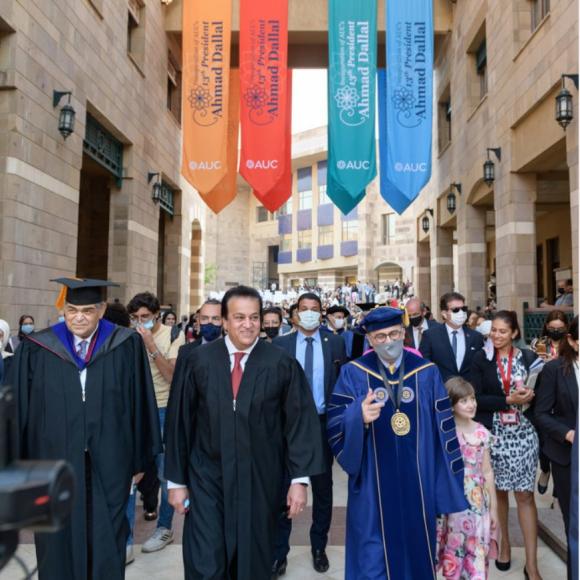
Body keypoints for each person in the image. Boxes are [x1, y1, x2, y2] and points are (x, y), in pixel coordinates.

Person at [164, 286, 325, 580]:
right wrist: (176, 481)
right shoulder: (198, 361)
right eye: (239, 317)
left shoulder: (280, 363)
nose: (247, 324)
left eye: (254, 317)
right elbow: (179, 423)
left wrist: (299, 480)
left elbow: (299, 423)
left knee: (252, 562)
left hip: (260, 478)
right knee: (206, 561)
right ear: (224, 321)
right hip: (207, 478)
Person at [10, 278, 161, 580]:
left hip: (110, 460)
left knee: (107, 534)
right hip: (53, 461)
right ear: (63, 311)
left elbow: (141, 401)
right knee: (56, 536)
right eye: (72, 310)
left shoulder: (124, 344)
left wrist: (141, 459)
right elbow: (18, 409)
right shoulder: (38, 347)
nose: (79, 317)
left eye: (87, 310)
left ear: (102, 310)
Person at [327, 307, 468, 579]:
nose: (387, 341)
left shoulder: (426, 372)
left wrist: (445, 484)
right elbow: (335, 425)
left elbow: (444, 432)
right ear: (369, 339)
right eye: (379, 336)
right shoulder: (353, 373)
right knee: (372, 554)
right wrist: (359, 417)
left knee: (418, 547)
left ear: (403, 333)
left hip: (419, 480)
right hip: (372, 484)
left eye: (393, 334)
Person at [272, 293, 347, 576]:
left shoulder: (336, 342)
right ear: (295, 314)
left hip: (322, 423)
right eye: (304, 309)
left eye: (315, 310)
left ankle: (319, 546)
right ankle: (279, 553)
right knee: (284, 487)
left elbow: (342, 385)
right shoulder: (280, 345)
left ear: (322, 313)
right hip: (287, 426)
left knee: (323, 488)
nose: (310, 314)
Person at [470, 310, 542, 579]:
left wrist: (530, 396)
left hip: (524, 433)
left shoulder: (529, 357)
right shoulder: (481, 358)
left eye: (502, 331)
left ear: (514, 333)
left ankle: (532, 564)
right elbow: (476, 399)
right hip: (495, 434)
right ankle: (504, 546)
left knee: (525, 494)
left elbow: (542, 394)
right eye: (494, 330)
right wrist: (507, 401)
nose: (496, 336)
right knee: (498, 493)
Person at [125, 292, 184, 555]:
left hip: (163, 409)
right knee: (130, 473)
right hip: (134, 410)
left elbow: (171, 375)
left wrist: (150, 345)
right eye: (135, 318)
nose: (140, 322)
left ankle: (164, 528)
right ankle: (124, 539)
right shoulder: (128, 337)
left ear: (156, 315)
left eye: (145, 317)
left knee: (164, 473)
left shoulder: (173, 335)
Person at [437, 377, 499, 579]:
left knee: (477, 548)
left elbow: (487, 471)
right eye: (464, 400)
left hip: (477, 501)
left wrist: (494, 509)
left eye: (472, 399)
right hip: (452, 498)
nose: (471, 404)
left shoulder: (482, 432)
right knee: (454, 548)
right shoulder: (444, 432)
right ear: (452, 404)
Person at [535, 315, 578, 580]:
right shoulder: (555, 370)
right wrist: (569, 434)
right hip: (569, 457)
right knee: (575, 525)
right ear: (572, 341)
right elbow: (541, 413)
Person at [534, 310, 570, 494]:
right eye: (552, 328)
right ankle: (546, 469)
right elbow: (529, 371)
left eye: (560, 328)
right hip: (543, 394)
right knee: (543, 438)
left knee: (560, 438)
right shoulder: (538, 344)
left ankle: (558, 480)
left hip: (564, 397)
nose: (556, 331)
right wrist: (542, 365)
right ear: (547, 327)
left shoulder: (570, 345)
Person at [420, 292, 484, 382]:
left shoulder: (476, 337)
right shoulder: (430, 336)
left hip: (468, 392)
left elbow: (480, 367)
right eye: (455, 310)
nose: (461, 313)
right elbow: (424, 366)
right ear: (444, 313)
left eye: (464, 309)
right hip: (441, 391)